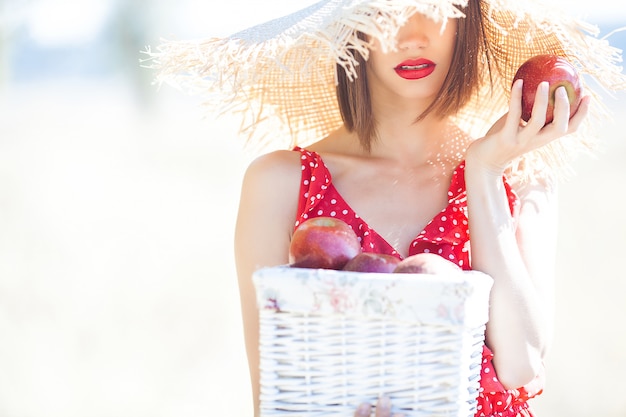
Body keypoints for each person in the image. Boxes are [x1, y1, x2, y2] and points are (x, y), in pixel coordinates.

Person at [148, 1, 626, 416]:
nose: (411, 32)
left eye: (435, 7)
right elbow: (274, 399)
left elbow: (522, 364)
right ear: (350, 25)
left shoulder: (519, 179)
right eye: (384, 7)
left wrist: (482, 172)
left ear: (469, 19)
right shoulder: (281, 184)